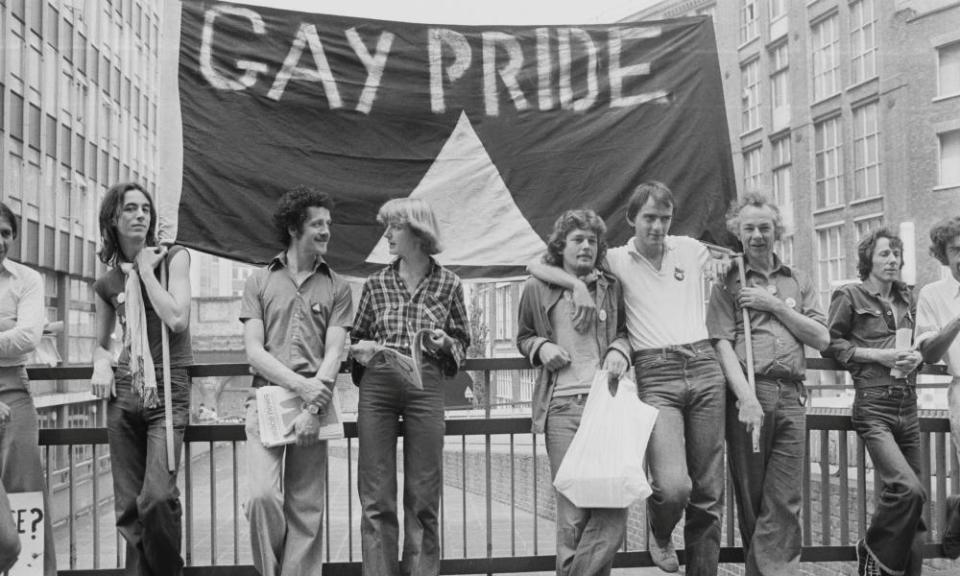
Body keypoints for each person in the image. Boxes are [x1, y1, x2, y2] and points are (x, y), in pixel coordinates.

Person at [529, 181, 730, 575]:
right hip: (653, 370)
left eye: (665, 218)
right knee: (674, 487)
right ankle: (660, 530)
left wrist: (729, 263)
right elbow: (537, 265)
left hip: (704, 364)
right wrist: (573, 287)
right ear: (632, 219)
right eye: (649, 218)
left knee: (708, 493)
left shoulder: (687, 248)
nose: (657, 227)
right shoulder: (615, 261)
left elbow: (731, 259)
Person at [706, 194, 828, 575]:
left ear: (777, 230)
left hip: (792, 395)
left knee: (786, 499)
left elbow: (821, 338)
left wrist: (774, 304)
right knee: (754, 497)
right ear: (737, 233)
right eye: (749, 228)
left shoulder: (798, 280)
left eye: (765, 227)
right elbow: (721, 343)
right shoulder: (726, 280)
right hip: (750, 397)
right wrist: (745, 397)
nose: (758, 235)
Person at [350, 197, 470, 576]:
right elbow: (356, 339)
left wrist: (445, 343)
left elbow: (463, 343)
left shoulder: (449, 283)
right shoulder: (376, 283)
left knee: (423, 493)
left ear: (418, 232)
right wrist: (362, 349)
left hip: (426, 382)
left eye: (394, 227)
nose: (386, 235)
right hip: (380, 384)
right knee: (376, 492)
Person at [240, 187, 353, 576]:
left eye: (328, 224)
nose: (326, 231)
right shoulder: (258, 281)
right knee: (261, 498)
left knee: (307, 509)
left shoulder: (338, 287)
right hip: (265, 401)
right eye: (317, 224)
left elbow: (334, 354)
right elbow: (254, 351)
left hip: (314, 407)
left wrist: (311, 405)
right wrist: (301, 387)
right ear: (293, 227)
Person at [516, 210, 631, 576]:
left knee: (613, 508)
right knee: (572, 515)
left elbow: (627, 332)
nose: (585, 246)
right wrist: (540, 348)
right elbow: (523, 336)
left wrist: (619, 351)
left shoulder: (610, 287)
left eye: (592, 240)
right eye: (577, 239)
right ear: (561, 246)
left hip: (606, 406)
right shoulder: (537, 287)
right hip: (561, 407)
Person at [91, 183, 193, 576]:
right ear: (113, 219)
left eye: (145, 208)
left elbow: (178, 319)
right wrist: (101, 364)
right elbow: (101, 345)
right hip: (124, 390)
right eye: (130, 209)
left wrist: (147, 274)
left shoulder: (174, 259)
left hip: (168, 388)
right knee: (128, 508)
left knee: (156, 498)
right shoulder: (106, 283)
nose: (140, 215)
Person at [822, 228, 926, 576]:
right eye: (885, 254)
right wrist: (877, 356)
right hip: (874, 406)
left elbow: (911, 347)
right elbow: (831, 344)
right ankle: (871, 546)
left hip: (908, 405)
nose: (893, 259)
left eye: (896, 253)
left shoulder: (907, 298)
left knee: (917, 505)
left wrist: (916, 358)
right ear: (868, 259)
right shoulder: (849, 295)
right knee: (906, 489)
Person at [0, 201, 55, 575]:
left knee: (24, 493)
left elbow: (28, 338)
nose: (0, 240)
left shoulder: (27, 279)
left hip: (13, 390)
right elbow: (14, 336)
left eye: (5, 233)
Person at [914, 216, 960, 558]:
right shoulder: (933, 294)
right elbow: (928, 350)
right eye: (957, 250)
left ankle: (958, 510)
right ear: (944, 255)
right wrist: (957, 320)